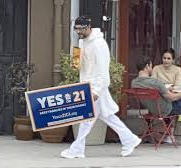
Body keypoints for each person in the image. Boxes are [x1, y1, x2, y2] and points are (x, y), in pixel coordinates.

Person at [60, 16, 141, 159]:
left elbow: (103, 70)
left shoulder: (99, 44)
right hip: (88, 85)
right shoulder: (82, 42)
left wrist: (96, 90)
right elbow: (78, 66)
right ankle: (129, 139)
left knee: (86, 119)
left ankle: (77, 148)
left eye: (81, 29)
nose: (78, 31)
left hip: (96, 87)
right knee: (107, 116)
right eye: (76, 29)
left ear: (88, 27)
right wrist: (76, 55)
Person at [131, 56, 181, 146]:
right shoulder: (154, 82)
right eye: (151, 66)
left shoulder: (134, 83)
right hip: (167, 110)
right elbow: (172, 98)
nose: (152, 68)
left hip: (152, 111)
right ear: (147, 66)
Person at [151, 48, 181, 143]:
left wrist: (164, 87)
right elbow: (152, 83)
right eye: (164, 58)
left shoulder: (178, 70)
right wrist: (166, 87)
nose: (166, 60)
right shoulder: (156, 68)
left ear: (173, 60)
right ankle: (170, 133)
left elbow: (177, 86)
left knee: (177, 99)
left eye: (169, 58)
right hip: (158, 97)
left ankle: (170, 132)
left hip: (172, 95)